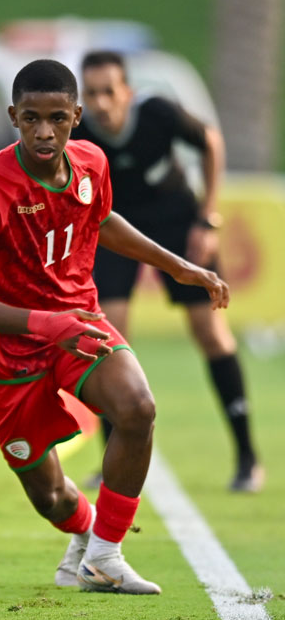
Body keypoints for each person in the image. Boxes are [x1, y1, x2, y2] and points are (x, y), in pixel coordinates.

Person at [0, 59, 229, 594]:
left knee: (138, 407)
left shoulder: (91, 164)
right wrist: (49, 324)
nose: (44, 131)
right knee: (51, 497)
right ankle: (83, 536)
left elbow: (100, 220)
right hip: (9, 353)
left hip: (79, 323)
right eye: (31, 117)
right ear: (13, 116)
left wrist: (177, 265)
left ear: (76, 116)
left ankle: (104, 556)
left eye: (57, 117)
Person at [72, 50, 262, 493]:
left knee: (210, 333)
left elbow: (210, 141)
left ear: (128, 92)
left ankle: (248, 458)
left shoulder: (157, 112)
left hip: (178, 222)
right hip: (114, 228)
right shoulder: (77, 131)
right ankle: (111, 461)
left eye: (109, 91)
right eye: (92, 93)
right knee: (108, 340)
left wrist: (207, 221)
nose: (100, 102)